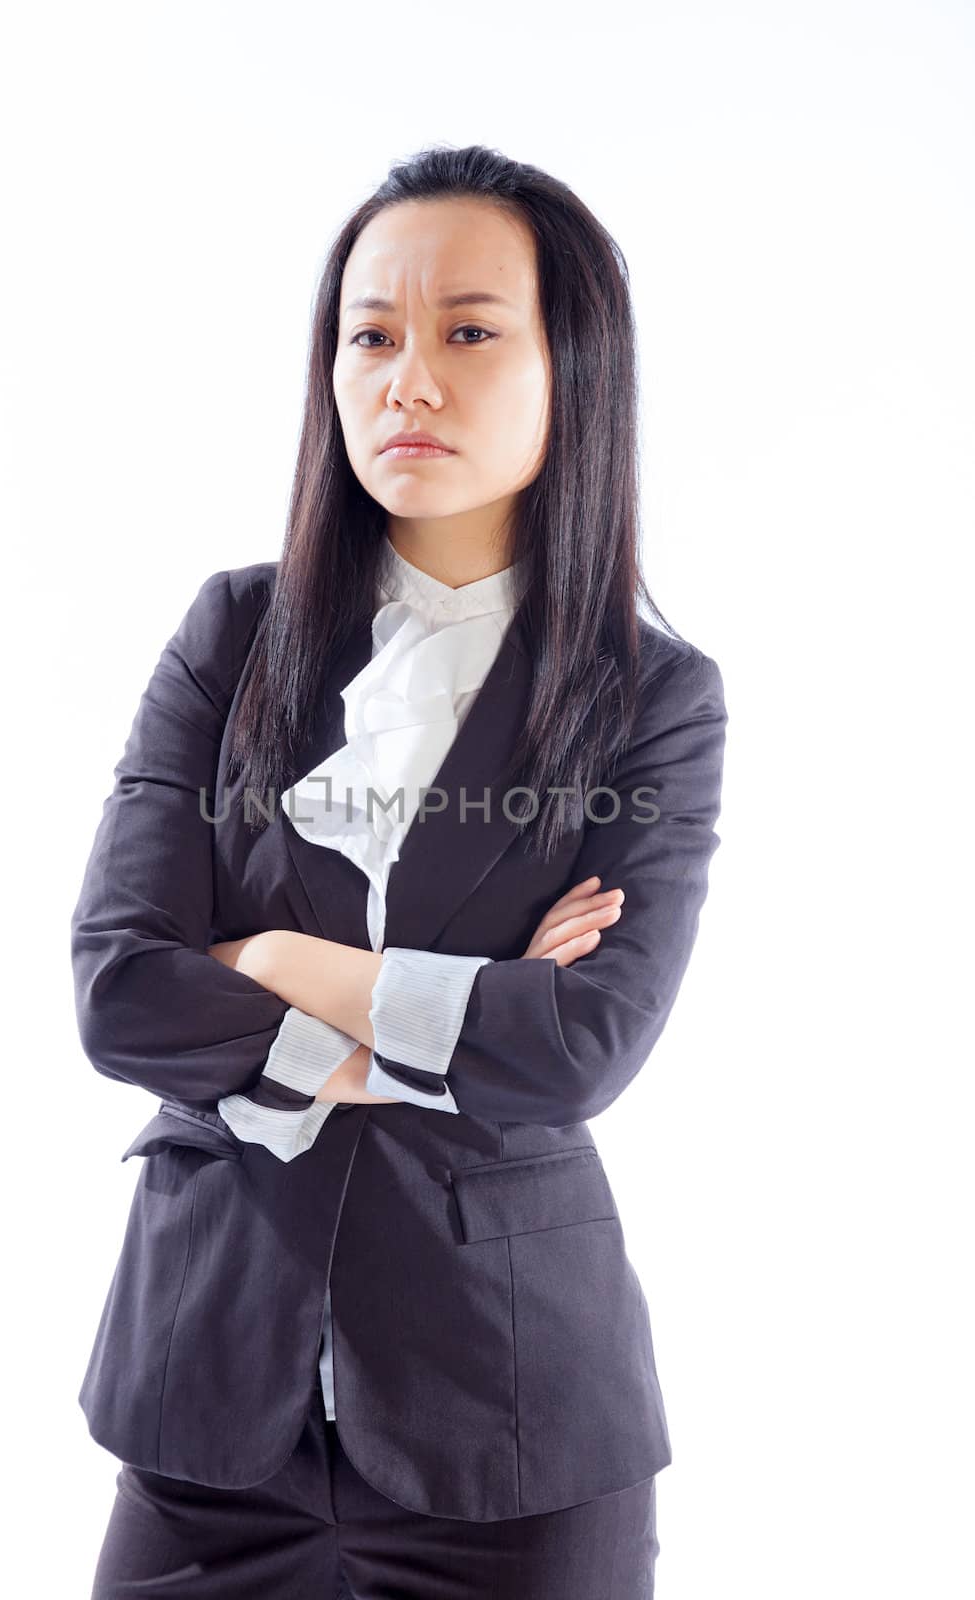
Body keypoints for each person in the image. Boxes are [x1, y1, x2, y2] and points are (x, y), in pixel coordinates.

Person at [74, 142, 728, 1600]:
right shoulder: (231, 634)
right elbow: (118, 992)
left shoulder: (653, 697)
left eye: (469, 332)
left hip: (512, 1426)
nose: (406, 380)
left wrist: (270, 966)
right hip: (206, 1405)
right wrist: (460, 1016)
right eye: (371, 335)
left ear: (578, 371)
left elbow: (583, 1048)